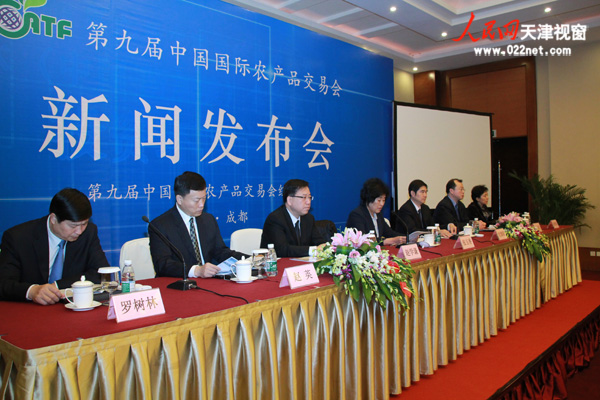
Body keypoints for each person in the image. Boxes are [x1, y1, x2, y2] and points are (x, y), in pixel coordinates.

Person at [0, 188, 109, 305]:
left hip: (69, 307)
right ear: (53, 219)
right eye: (73, 226)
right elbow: (4, 283)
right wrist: (32, 291)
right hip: (29, 309)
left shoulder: (88, 232)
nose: (79, 231)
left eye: (84, 224)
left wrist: (57, 286)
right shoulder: (18, 238)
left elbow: (102, 273)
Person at [149, 171, 246, 279]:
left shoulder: (208, 219)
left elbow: (220, 252)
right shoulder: (160, 226)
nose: (201, 205)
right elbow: (162, 264)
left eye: (204, 198)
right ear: (179, 199)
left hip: (208, 282)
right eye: (196, 200)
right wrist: (196, 271)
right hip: (177, 283)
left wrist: (250, 259)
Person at [260, 179, 328, 257]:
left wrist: (325, 247)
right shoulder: (275, 219)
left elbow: (319, 242)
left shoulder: (308, 218)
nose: (308, 202)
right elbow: (282, 250)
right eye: (303, 197)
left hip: (302, 263)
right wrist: (313, 250)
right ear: (289, 200)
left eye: (309, 197)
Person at [346, 178, 405, 246]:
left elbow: (389, 233)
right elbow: (363, 241)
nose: (382, 204)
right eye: (379, 200)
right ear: (369, 198)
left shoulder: (378, 215)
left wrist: (406, 238)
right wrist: (387, 241)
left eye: (383, 200)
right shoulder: (357, 215)